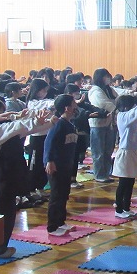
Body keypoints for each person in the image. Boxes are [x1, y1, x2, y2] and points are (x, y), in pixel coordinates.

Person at [0, 102, 55, 257]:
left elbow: (22, 126)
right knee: (5, 212)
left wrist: (39, 121)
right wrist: (37, 120)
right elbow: (20, 127)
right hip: (2, 180)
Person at [44, 94, 79, 236]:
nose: (76, 105)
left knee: (64, 194)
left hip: (66, 165)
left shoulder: (70, 125)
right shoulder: (59, 124)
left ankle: (61, 222)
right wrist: (49, 161)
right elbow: (49, 143)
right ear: (67, 108)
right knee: (56, 195)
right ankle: (52, 227)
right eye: (74, 103)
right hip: (56, 166)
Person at [112, 95, 137, 219]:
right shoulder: (123, 116)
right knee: (123, 183)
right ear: (126, 106)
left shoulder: (129, 118)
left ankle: (126, 208)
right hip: (125, 153)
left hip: (133, 152)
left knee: (130, 181)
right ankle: (119, 209)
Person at [88, 68, 117, 183]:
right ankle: (99, 174)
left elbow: (117, 99)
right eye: (106, 76)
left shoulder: (108, 89)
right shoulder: (95, 90)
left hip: (109, 123)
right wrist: (117, 109)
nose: (108, 79)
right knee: (98, 151)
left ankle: (106, 173)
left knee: (108, 150)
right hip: (97, 124)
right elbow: (104, 104)